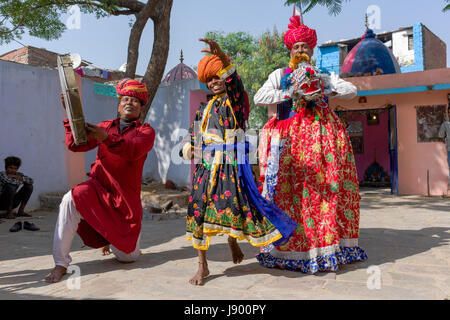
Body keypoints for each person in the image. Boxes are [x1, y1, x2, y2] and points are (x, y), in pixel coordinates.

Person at [253, 14, 367, 273]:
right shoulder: (281, 74)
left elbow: (351, 91)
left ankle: (325, 247)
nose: (301, 50)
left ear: (311, 50)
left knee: (325, 193)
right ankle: (292, 248)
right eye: (297, 47)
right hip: (292, 145)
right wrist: (291, 92)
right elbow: (261, 96)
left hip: (324, 142)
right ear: (290, 51)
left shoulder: (325, 74)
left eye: (305, 46)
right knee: (293, 194)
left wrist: (326, 89)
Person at [181, 39, 296, 285]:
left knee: (235, 210)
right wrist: (189, 148)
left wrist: (222, 55)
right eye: (209, 79)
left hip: (231, 165)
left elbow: (235, 83)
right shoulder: (203, 109)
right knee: (198, 212)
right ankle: (203, 266)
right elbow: (193, 135)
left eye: (217, 77)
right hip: (205, 167)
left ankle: (233, 240)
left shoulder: (235, 101)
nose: (214, 82)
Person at [45, 79, 155, 283]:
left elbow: (132, 151)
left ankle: (110, 239)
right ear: (119, 104)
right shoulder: (105, 126)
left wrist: (105, 138)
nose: (129, 103)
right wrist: (70, 114)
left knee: (128, 258)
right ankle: (60, 263)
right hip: (98, 189)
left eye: (135, 101)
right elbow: (76, 145)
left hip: (125, 203)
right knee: (71, 198)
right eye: (125, 99)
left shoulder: (145, 132)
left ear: (141, 108)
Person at [438, 105, 450, 189]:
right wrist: (446, 141)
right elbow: (441, 135)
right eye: (449, 112)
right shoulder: (445, 124)